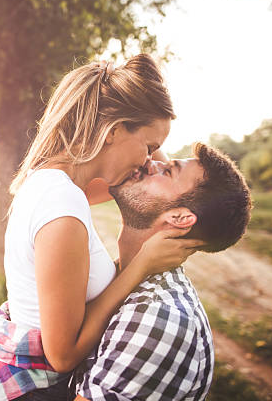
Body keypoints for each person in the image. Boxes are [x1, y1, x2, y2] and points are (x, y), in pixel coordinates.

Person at [0, 55, 202, 401]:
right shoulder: (62, 205)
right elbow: (62, 356)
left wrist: (148, 126)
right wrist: (141, 265)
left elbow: (142, 175)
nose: (150, 161)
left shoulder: (59, 182)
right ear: (113, 131)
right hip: (31, 387)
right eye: (149, 146)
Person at [69, 142, 252, 400]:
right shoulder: (125, 277)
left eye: (167, 171)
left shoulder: (158, 319)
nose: (148, 162)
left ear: (179, 218)